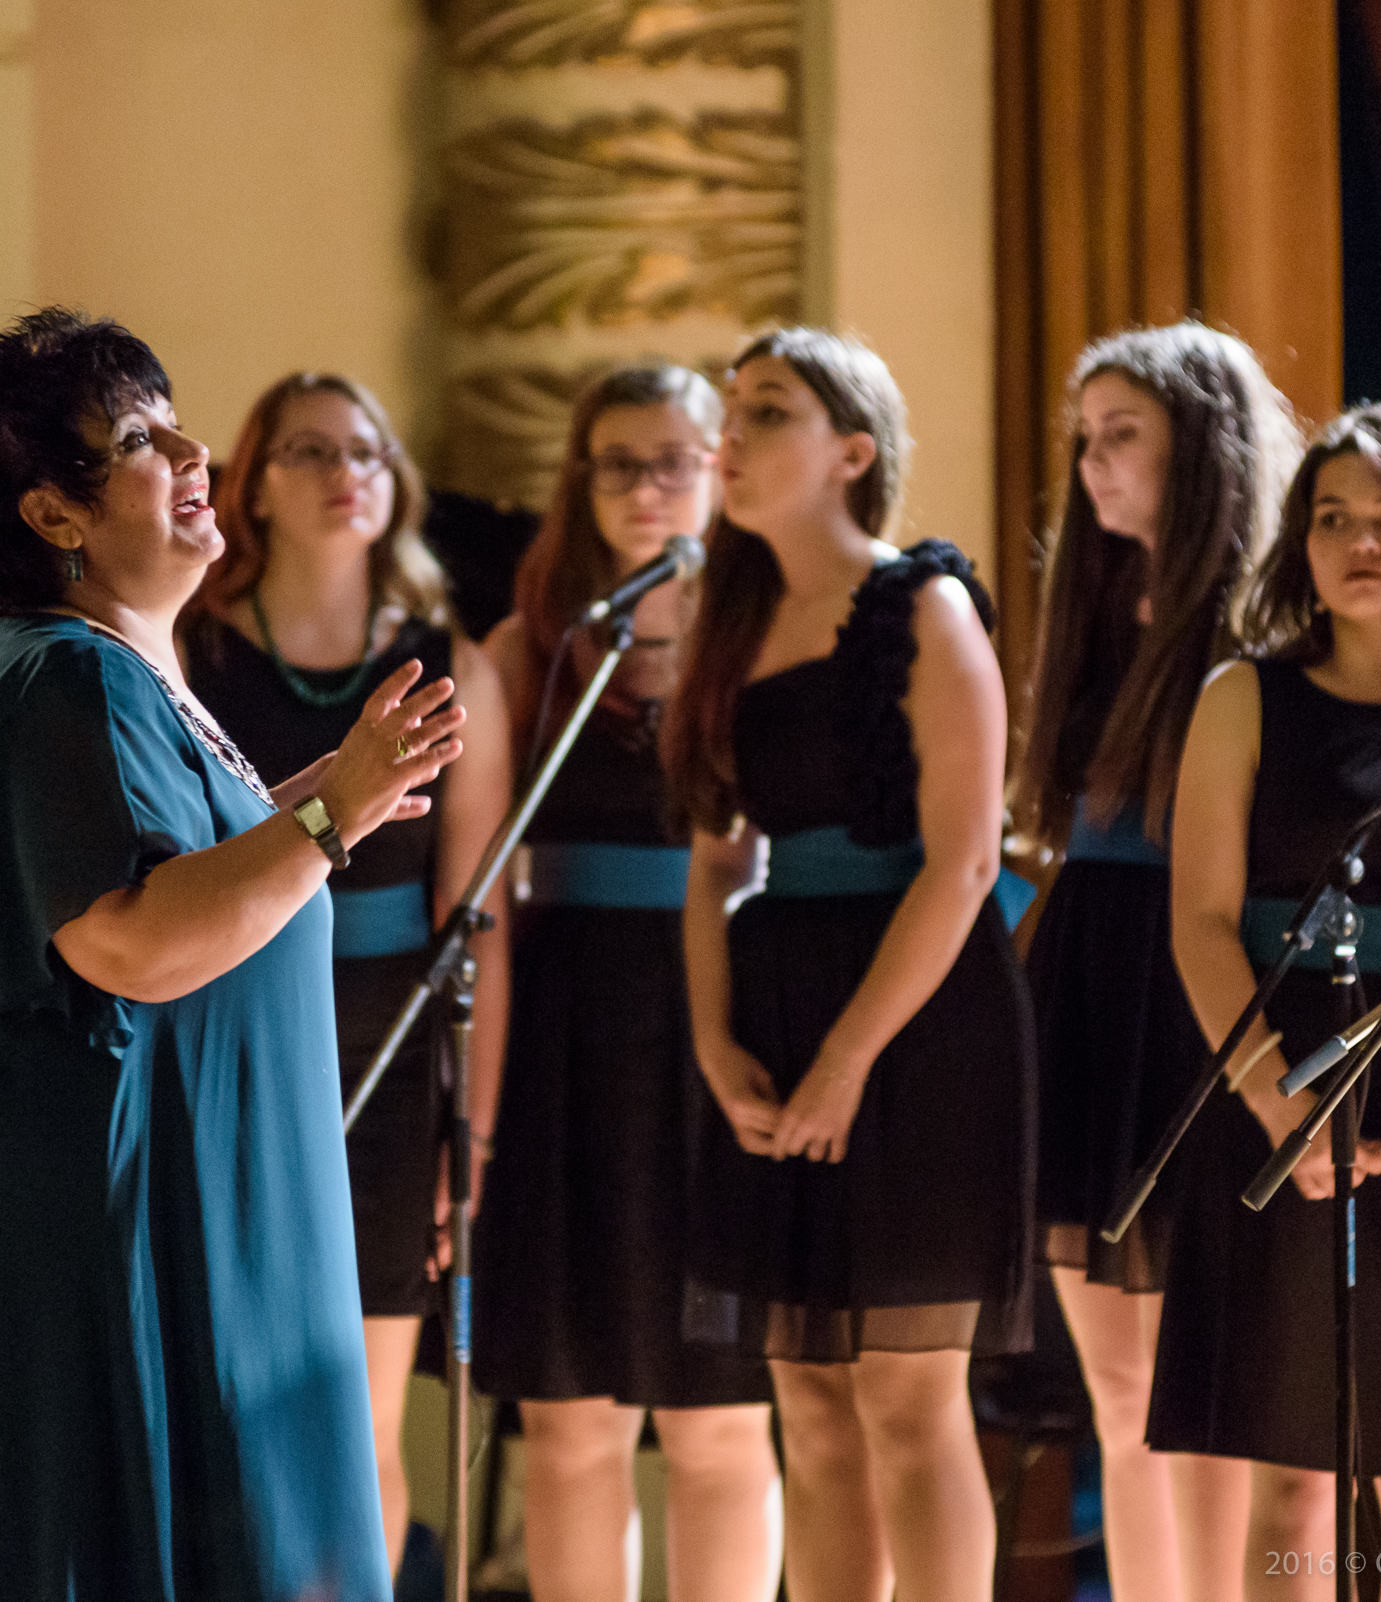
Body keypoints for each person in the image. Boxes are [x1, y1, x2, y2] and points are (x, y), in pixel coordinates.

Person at [0, 308, 460, 1601]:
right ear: (52, 513)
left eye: (177, 423)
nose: (191, 454)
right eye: (137, 439)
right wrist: (328, 816)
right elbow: (128, 938)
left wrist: (315, 805)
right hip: (60, 1230)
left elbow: (179, 869)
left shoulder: (117, 671)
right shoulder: (64, 674)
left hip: (118, 1202)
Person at [663, 327, 1034, 1602]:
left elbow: (965, 863)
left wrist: (846, 1062)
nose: (731, 438)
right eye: (730, 413)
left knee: (905, 1404)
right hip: (777, 1005)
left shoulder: (923, 605)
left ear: (852, 452)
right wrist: (717, 1045)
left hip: (918, 1023)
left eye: (769, 411)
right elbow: (715, 864)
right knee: (813, 1409)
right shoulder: (731, 619)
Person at [1154, 404, 1381, 1601]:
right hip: (1284, 1077)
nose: (1361, 543)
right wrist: (1276, 1100)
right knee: (1294, 1482)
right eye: (1331, 519)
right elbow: (1202, 921)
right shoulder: (1243, 696)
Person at [182, 371, 513, 1573]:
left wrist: (471, 1136)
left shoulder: (451, 663)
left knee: (358, 1419)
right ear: (254, 488)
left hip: (389, 1048)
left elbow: (477, 922)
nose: (344, 473)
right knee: (224, 1410)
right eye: (310, 451)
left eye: (366, 452)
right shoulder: (192, 650)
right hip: (232, 1034)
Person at [472, 364, 780, 1602]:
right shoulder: (530, 645)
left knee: (720, 1418)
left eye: (674, 461)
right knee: (570, 1417)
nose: (647, 488)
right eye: (618, 464)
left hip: (725, 1021)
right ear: (580, 481)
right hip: (564, 1032)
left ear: (720, 469)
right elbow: (481, 876)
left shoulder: (768, 635)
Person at [1013, 323, 1296, 1602]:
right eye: (1085, 439)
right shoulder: (1090, 606)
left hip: (1195, 988)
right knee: (1118, 1394)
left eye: (1122, 435)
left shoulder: (1263, 621)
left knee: (1201, 1390)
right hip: (1090, 982)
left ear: (1203, 447)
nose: (1093, 464)